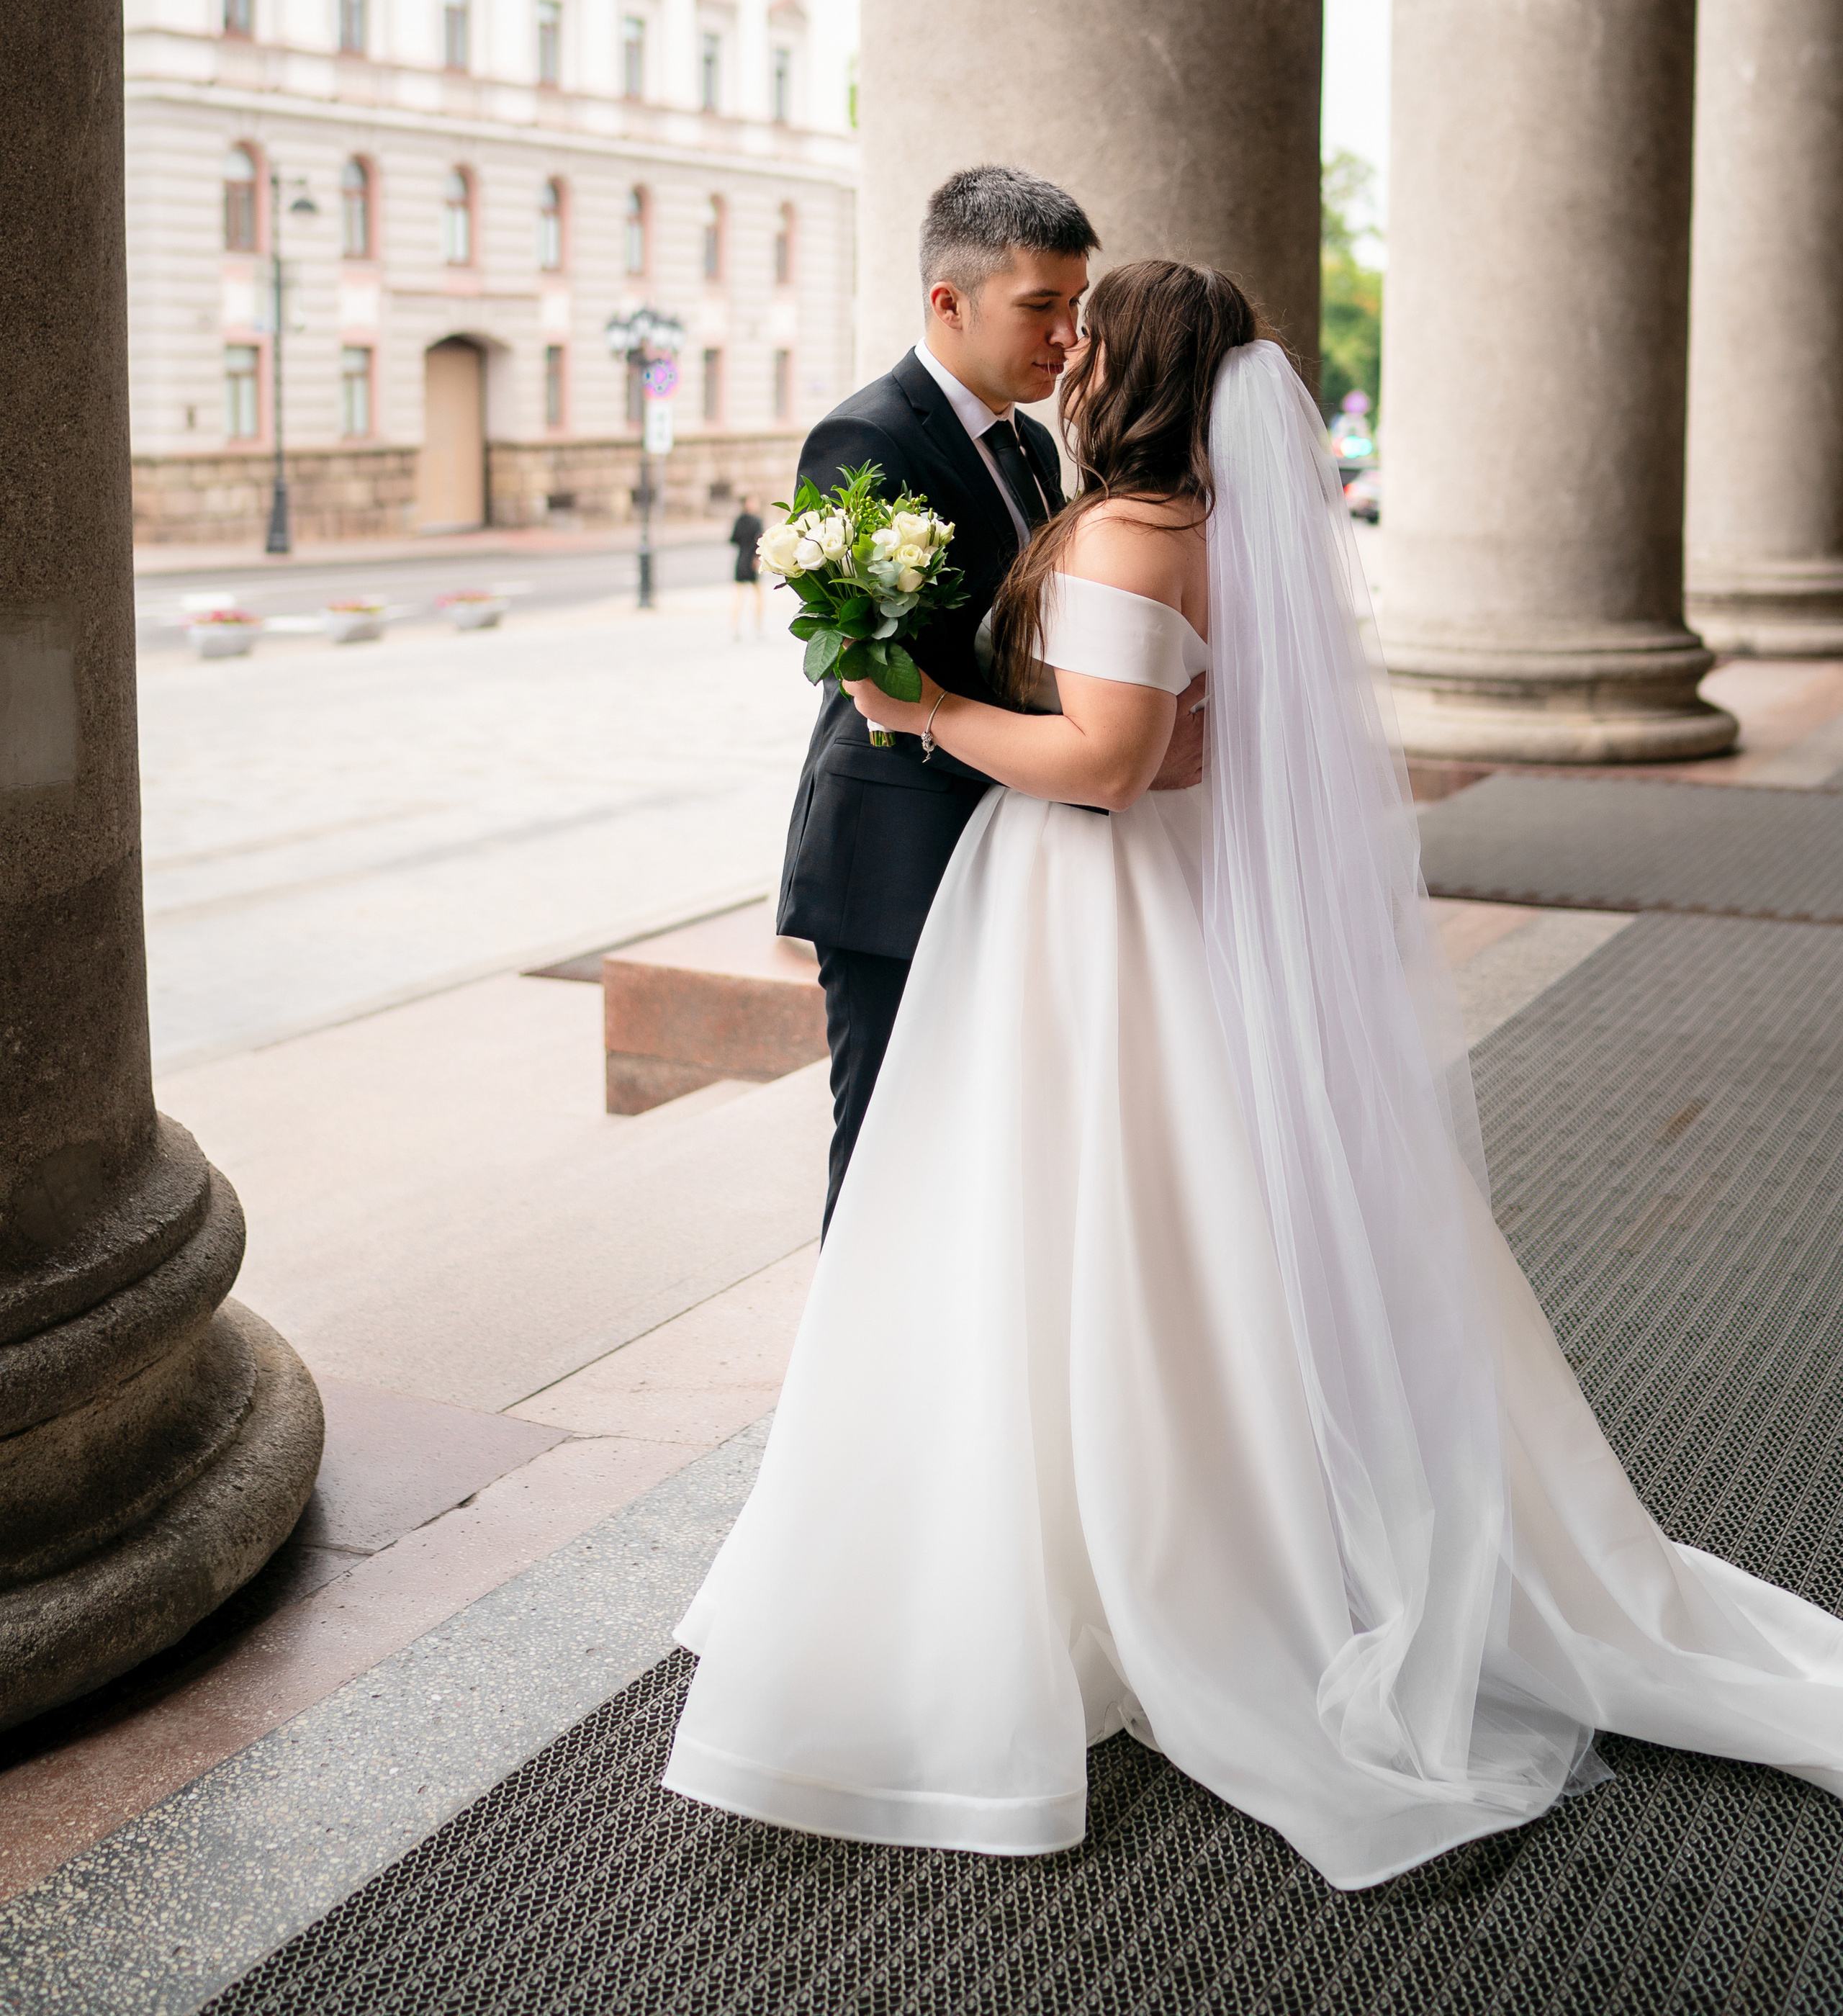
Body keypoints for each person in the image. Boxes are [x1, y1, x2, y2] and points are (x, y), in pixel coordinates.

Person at [664, 258, 1843, 1891]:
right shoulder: (1216, 533)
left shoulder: (1134, 532)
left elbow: (1103, 760)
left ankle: (1144, 1542)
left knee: (1090, 1216)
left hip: (1093, 902)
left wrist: (922, 704)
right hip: (1141, 903)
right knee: (1169, 1211)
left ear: (1130, 370)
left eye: (1088, 334)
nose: (1063, 351)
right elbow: (1205, 734)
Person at [775, 165, 1203, 1236]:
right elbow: (879, 673)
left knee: (985, 1142)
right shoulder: (866, 440)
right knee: (884, 1137)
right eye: (1041, 307)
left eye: (1077, 307)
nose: (1067, 337)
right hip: (900, 850)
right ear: (949, 303)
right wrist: (1090, 748)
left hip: (1017, 845)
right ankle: (855, 1391)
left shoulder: (1034, 441)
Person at [729, 495, 765, 639]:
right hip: (752, 561)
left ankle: (735, 628)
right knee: (758, 597)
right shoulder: (756, 521)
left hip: (741, 561)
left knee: (738, 596)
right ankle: (758, 627)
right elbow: (761, 541)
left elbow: (733, 539)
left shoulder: (739, 520)